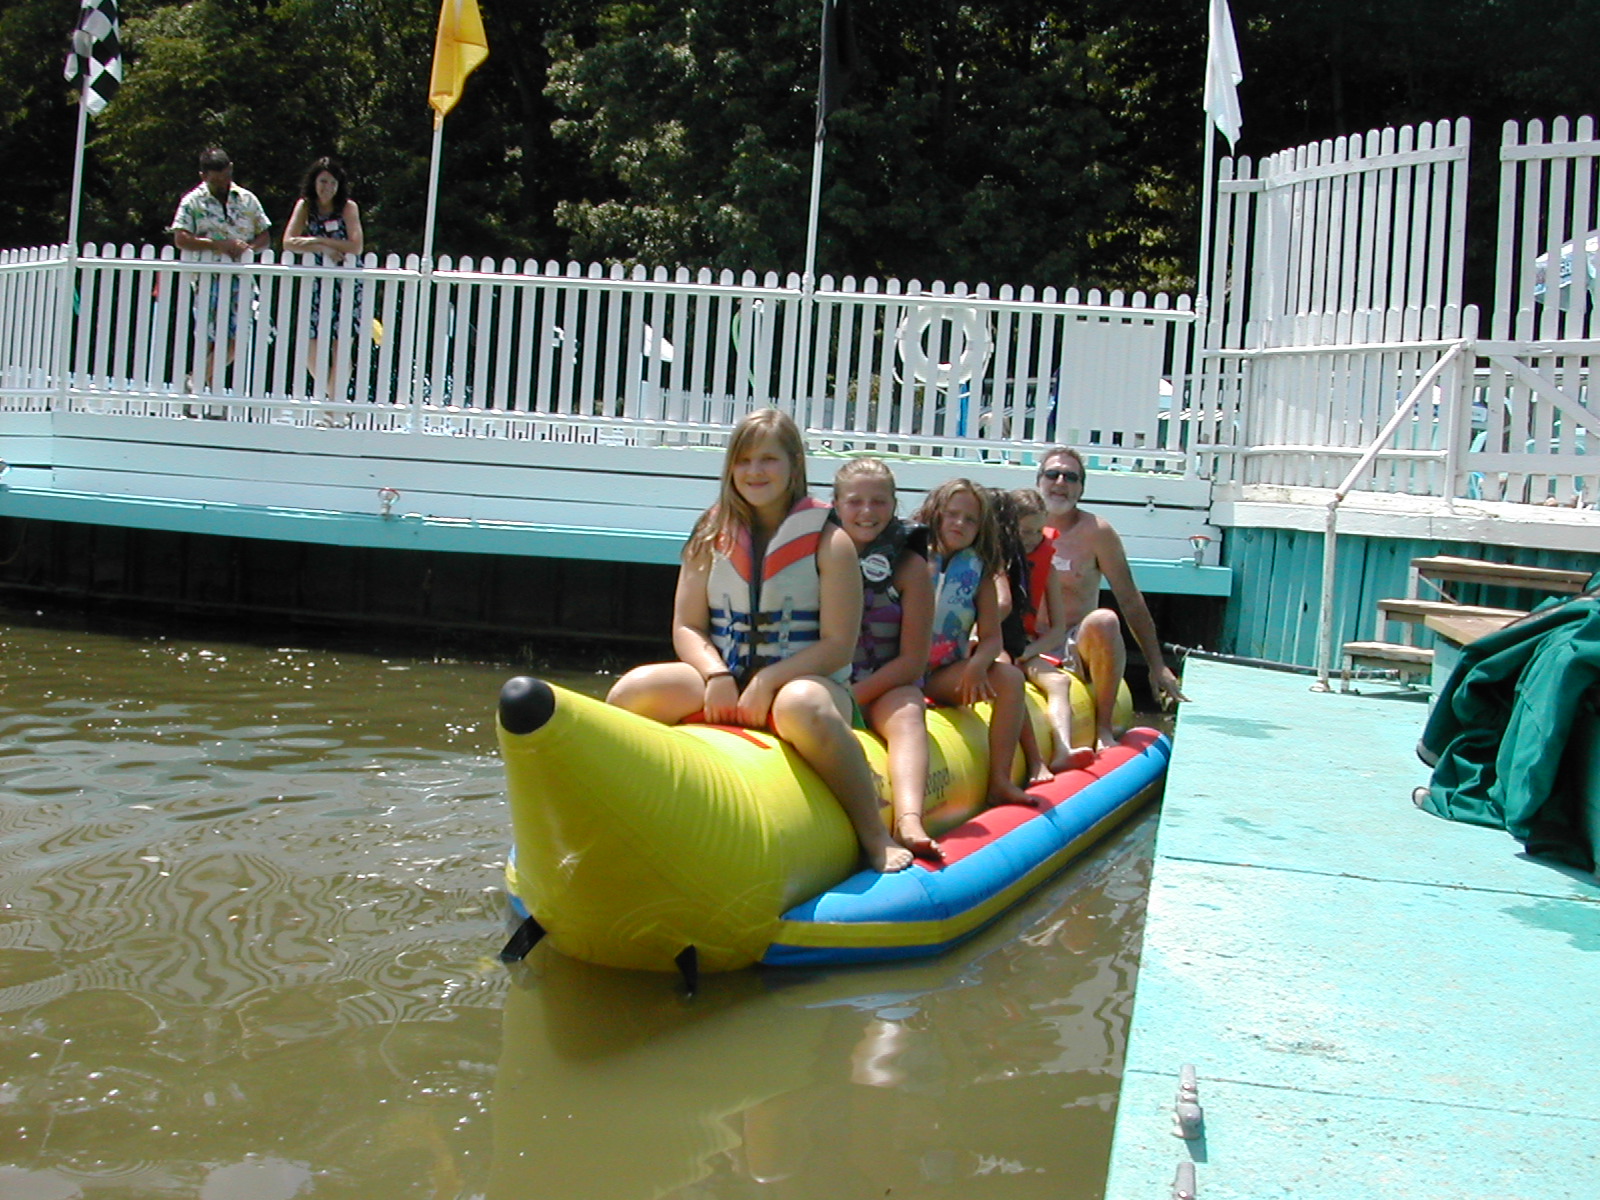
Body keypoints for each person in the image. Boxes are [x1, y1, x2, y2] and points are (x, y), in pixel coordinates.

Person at [607, 409, 914, 874]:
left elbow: (837, 644)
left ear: (794, 464)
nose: (755, 471)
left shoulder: (831, 542)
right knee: (633, 690)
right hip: (725, 678)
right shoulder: (709, 535)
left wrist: (768, 680)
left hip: (809, 683)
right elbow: (687, 627)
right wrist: (715, 674)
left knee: (801, 704)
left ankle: (874, 834)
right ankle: (618, 814)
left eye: (768, 459)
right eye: (744, 460)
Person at [1037, 446, 1188, 750]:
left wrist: (1156, 665)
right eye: (1053, 474)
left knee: (1105, 620)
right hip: (1026, 639)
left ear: (1081, 488)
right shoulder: (1018, 526)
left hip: (1074, 643)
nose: (1061, 483)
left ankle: (1103, 728)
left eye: (1071, 477)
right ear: (1039, 481)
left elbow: (1130, 599)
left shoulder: (1097, 532)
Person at [914, 478, 1049, 808]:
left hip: (942, 673)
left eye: (970, 519)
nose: (960, 523)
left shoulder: (980, 569)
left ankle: (999, 781)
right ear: (936, 513)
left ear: (981, 527)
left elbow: (991, 639)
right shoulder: (910, 556)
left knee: (1010, 678)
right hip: (899, 669)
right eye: (952, 514)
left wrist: (976, 666)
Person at [833, 458, 941, 859]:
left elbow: (913, 661)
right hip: (828, 683)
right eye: (855, 501)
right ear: (836, 505)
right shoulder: (818, 558)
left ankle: (909, 819)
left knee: (909, 708)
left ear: (894, 506)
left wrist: (853, 698)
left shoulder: (910, 568)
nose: (867, 511)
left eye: (878, 501)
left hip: (886, 688)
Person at [1006, 486, 1096, 771]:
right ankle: (1032, 761)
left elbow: (1057, 630)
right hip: (991, 646)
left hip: (1023, 645)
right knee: (1011, 681)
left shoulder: (1047, 568)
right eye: (1024, 532)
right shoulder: (992, 563)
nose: (1032, 539)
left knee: (1059, 682)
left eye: (1038, 531)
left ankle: (1062, 749)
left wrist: (1028, 651)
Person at [169, 147, 271, 397]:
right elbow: (181, 238)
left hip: (242, 278)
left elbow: (265, 235)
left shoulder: (247, 199)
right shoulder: (193, 201)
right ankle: (209, 398)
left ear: (231, 170)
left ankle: (196, 380)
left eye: (225, 177)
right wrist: (217, 245)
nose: (222, 184)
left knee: (241, 335)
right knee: (210, 339)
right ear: (203, 176)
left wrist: (249, 249)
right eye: (215, 181)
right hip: (208, 278)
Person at [282, 157, 364, 404]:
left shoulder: (348, 207)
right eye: (323, 181)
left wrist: (318, 241)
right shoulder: (305, 206)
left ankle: (333, 407)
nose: (327, 187)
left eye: (332, 183)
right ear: (314, 182)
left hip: (346, 282)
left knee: (342, 345)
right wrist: (320, 247)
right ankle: (335, 400)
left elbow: (356, 246)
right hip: (316, 283)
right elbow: (288, 241)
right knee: (311, 346)